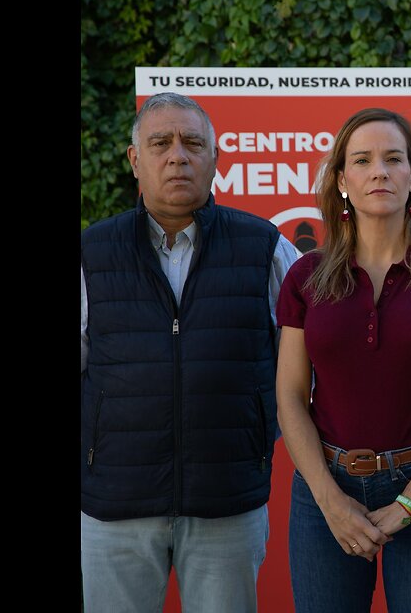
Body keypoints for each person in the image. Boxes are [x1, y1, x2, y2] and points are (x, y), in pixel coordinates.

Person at [81, 92, 299, 613]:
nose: (178, 155)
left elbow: (306, 365)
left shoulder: (266, 248)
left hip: (227, 501)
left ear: (215, 159)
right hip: (115, 507)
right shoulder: (92, 252)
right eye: (160, 143)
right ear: (136, 161)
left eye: (193, 143)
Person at [276, 108, 411, 612]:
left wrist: (409, 503)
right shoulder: (306, 276)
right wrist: (330, 501)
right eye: (363, 160)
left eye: (394, 159)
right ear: (342, 180)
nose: (380, 172)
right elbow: (288, 395)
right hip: (325, 490)